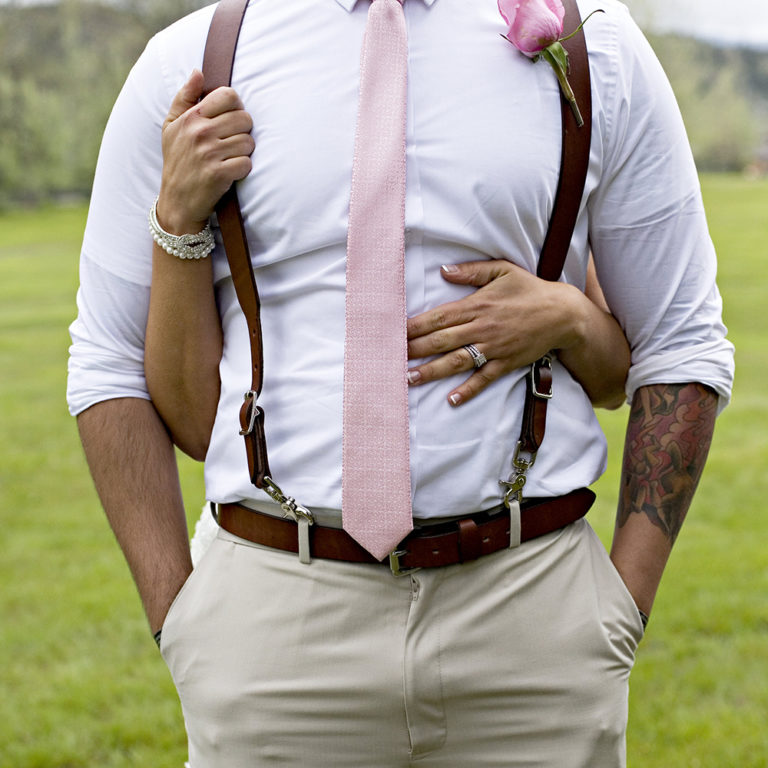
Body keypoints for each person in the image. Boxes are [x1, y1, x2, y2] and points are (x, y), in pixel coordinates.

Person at [68, 0, 734, 765]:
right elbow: (107, 360)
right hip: (273, 631)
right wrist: (178, 620)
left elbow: (681, 342)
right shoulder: (193, 61)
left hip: (533, 624)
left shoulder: (596, 48)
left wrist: (621, 611)